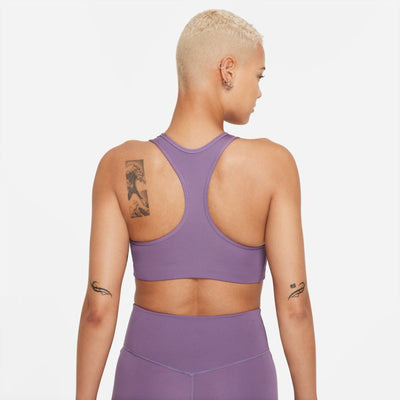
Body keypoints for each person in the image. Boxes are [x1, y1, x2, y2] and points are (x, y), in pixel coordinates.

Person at [76, 8, 317, 400]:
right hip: (242, 381)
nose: (259, 91)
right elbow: (295, 307)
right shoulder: (272, 166)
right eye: (258, 76)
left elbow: (98, 309)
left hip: (147, 380)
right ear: (228, 70)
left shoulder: (125, 169)